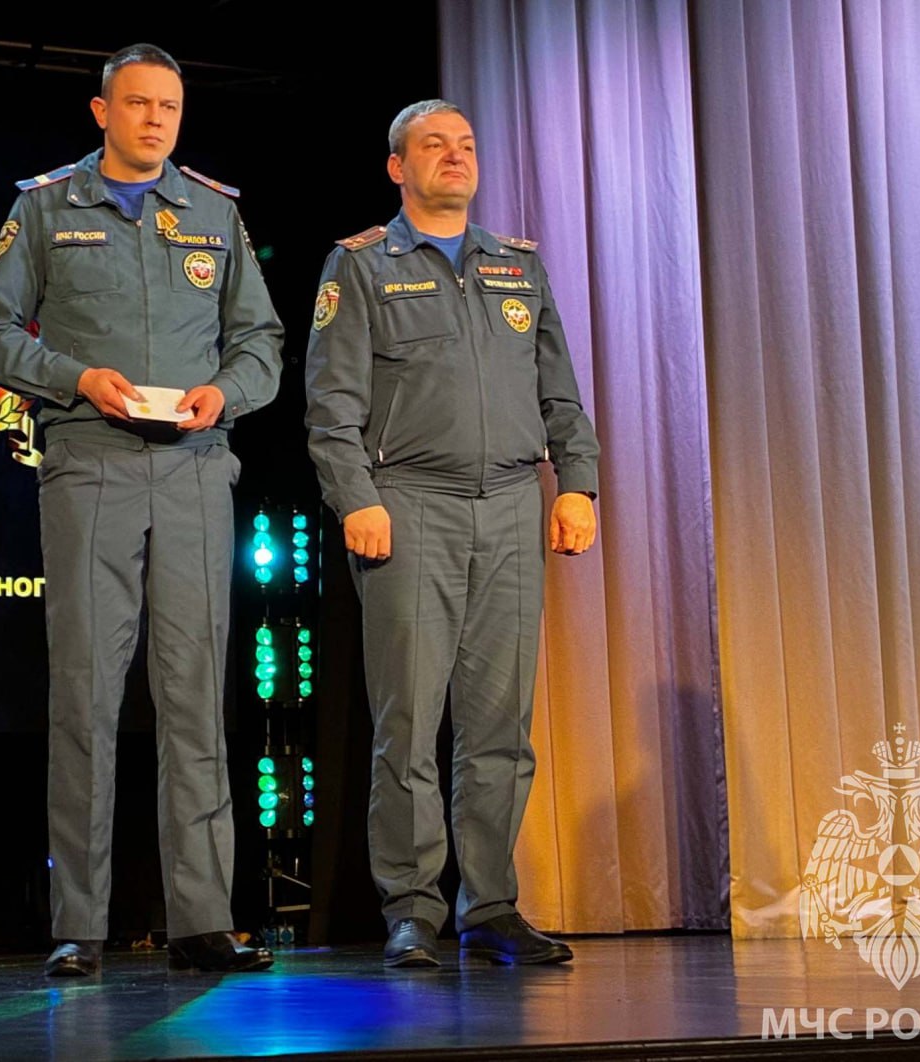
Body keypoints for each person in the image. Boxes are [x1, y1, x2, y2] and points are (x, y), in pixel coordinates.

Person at [0, 43, 283, 977]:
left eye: (169, 107)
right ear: (102, 111)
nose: (155, 120)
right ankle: (81, 924)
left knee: (194, 696)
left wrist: (225, 393)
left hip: (193, 470)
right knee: (87, 696)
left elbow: (261, 342)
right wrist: (76, 378)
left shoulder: (214, 213)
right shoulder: (46, 207)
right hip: (91, 467)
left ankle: (202, 921)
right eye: (138, 104)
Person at [304, 100, 600, 967]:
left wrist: (577, 483)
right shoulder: (361, 264)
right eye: (434, 145)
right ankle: (411, 907)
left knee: (500, 725)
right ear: (398, 167)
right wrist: (355, 498)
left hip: (510, 502)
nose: (455, 156)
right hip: (409, 505)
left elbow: (559, 390)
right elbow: (331, 406)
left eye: (466, 144)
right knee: (408, 722)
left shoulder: (516, 266)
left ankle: (491, 904)